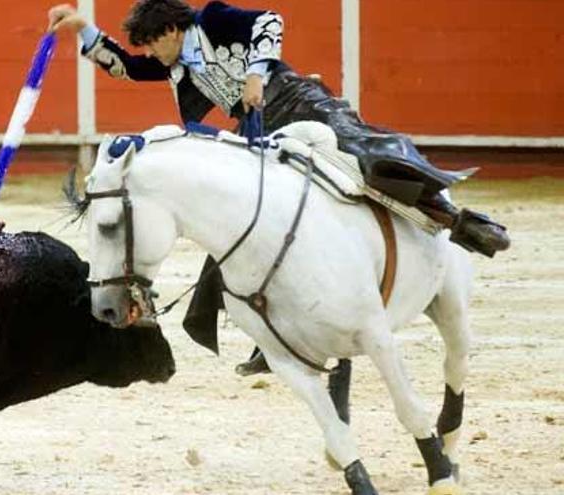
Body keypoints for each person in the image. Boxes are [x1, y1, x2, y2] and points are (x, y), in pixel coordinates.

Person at [49, 0, 510, 373]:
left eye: (150, 45)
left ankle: (459, 222)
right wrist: (82, 29)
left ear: (169, 31)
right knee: (244, 220)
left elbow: (270, 20)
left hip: (299, 102)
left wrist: (255, 76)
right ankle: (270, 334)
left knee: (363, 158)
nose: (148, 55)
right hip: (260, 130)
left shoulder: (213, 19)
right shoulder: (174, 67)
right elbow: (127, 67)